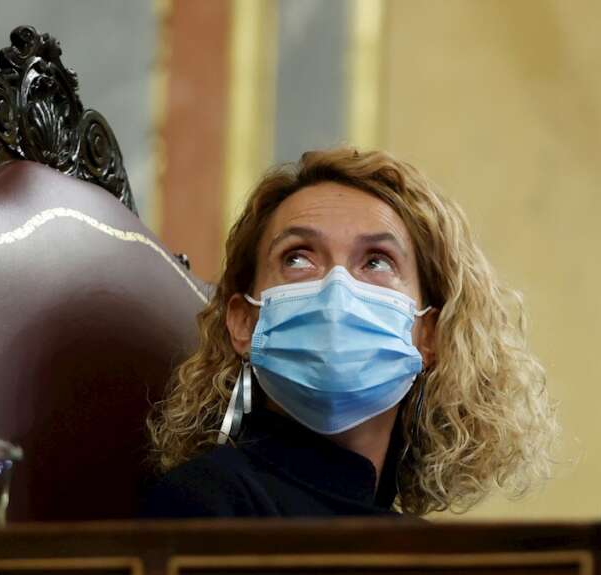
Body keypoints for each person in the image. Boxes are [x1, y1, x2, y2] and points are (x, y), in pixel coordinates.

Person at [143, 148, 556, 518]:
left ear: (428, 334)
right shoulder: (205, 504)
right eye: (298, 258)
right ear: (245, 323)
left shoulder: (430, 553)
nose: (336, 288)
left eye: (376, 261)